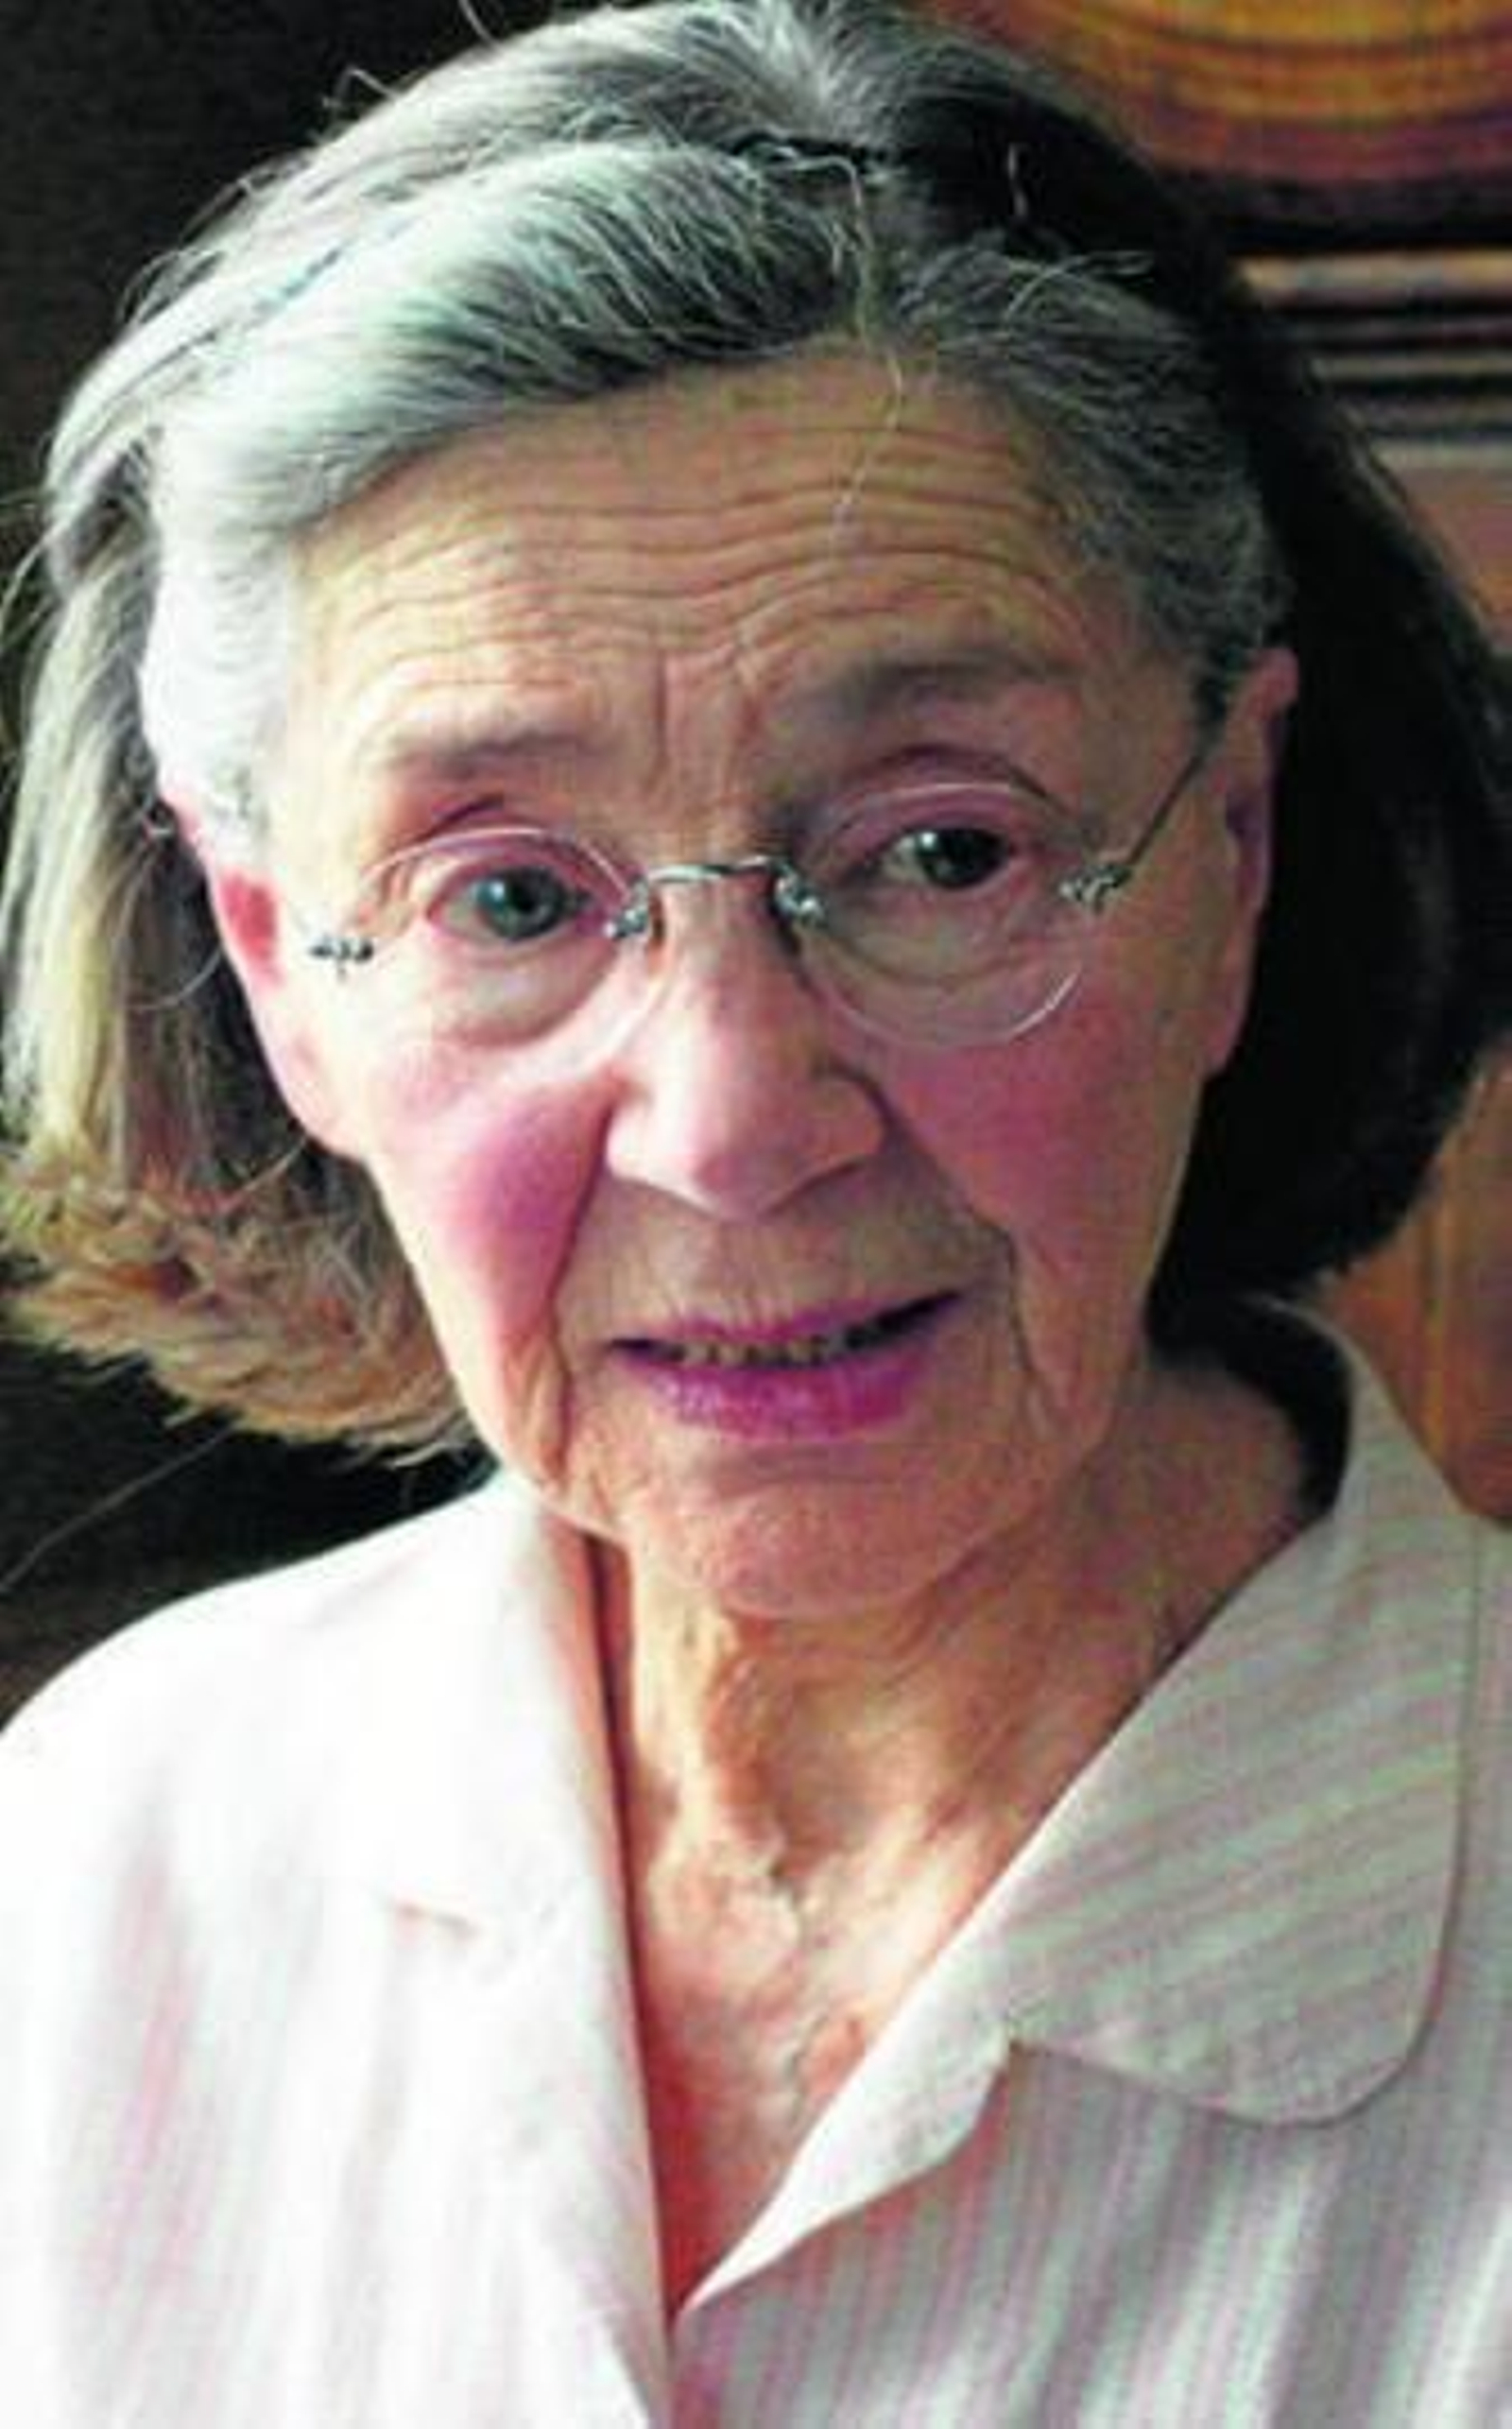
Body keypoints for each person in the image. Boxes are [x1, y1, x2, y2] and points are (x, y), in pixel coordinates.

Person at [1, 0, 1508, 2416]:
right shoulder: (104, 1860)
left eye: (938, 853)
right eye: (510, 898)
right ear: (279, 968)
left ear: (1226, 858)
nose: (726, 1121)